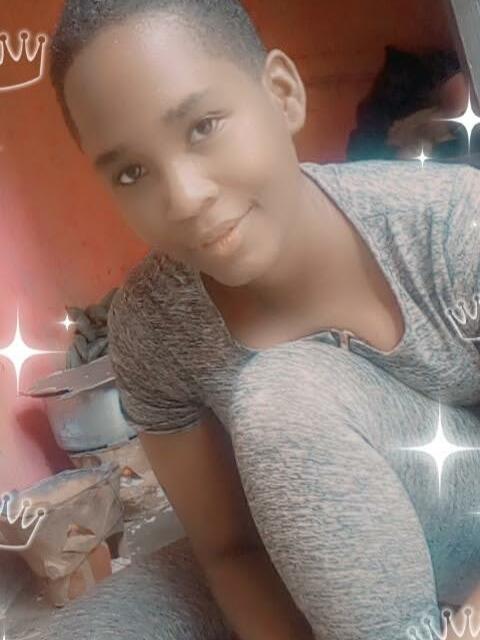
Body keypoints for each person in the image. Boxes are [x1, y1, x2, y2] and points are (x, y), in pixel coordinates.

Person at [48, 1, 480, 638]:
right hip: (308, 549)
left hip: (463, 519)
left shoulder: (453, 225)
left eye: (202, 127)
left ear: (282, 94)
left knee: (283, 399)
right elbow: (231, 550)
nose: (185, 197)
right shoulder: (151, 325)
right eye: (132, 171)